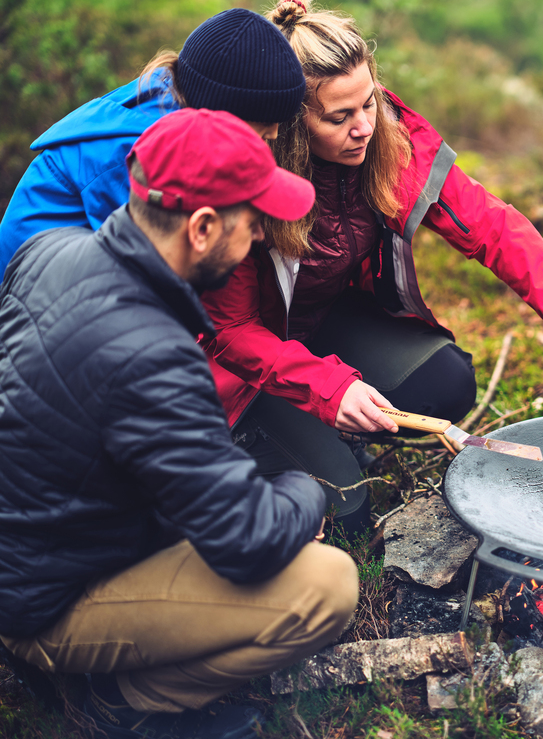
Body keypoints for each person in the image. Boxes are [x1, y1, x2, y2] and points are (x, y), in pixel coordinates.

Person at [199, 0, 543, 535]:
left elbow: (493, 227)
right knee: (347, 510)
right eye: (339, 117)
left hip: (319, 324)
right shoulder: (248, 172)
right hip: (231, 374)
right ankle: (254, 442)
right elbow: (228, 330)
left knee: (443, 386)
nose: (364, 127)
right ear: (294, 124)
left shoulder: (387, 139)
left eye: (369, 101)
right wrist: (325, 388)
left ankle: (319, 419)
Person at [0, 109, 359, 739]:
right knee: (326, 584)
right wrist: (307, 492)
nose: (257, 241)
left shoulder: (47, 250)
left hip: (37, 544)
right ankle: (121, 704)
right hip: (45, 602)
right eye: (252, 225)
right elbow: (246, 542)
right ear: (200, 228)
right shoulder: (152, 351)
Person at [0, 7, 307, 279]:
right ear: (223, 110)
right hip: (27, 304)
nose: (275, 135)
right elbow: (149, 270)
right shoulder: (139, 154)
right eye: (264, 125)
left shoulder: (169, 102)